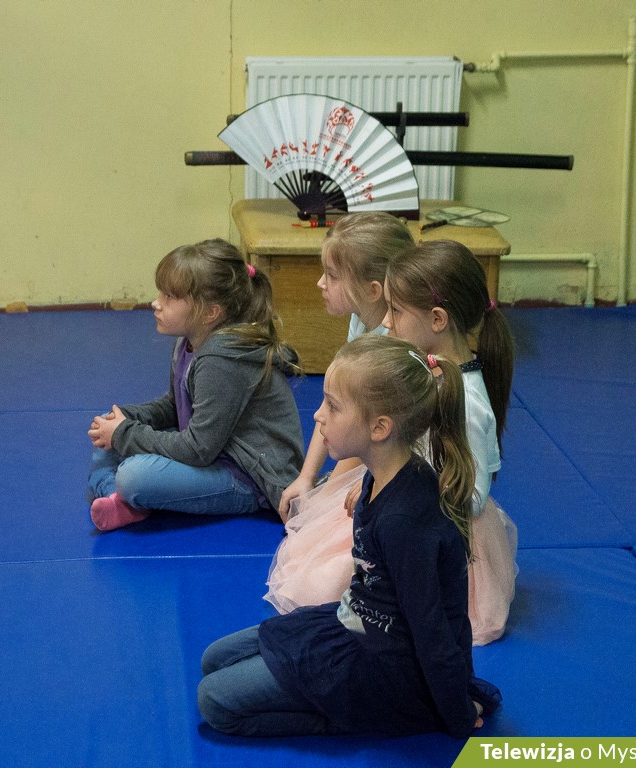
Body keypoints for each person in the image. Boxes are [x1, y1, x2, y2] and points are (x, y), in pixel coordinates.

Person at [197, 335, 502, 738]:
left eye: (333, 406)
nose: (318, 415)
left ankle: (343, 718)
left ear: (379, 428)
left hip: (386, 668)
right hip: (354, 622)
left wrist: (457, 714)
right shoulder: (378, 478)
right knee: (214, 658)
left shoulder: (405, 520)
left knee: (214, 702)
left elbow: (433, 633)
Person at [265, 240, 518, 645]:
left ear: (437, 319)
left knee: (329, 589)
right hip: (402, 507)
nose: (386, 321)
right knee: (314, 569)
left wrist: (393, 492)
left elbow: (469, 497)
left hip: (437, 531)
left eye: (396, 311)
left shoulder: (466, 400)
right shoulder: (427, 369)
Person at [86, 239, 304, 531]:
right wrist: (128, 418)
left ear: (210, 312)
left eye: (169, 297)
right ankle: (119, 500)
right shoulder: (188, 341)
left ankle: (124, 496)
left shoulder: (221, 359)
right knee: (108, 428)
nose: (155, 303)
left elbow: (198, 449)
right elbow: (176, 405)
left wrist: (126, 433)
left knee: (133, 475)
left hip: (246, 477)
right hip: (214, 452)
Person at [275, 211, 415, 521]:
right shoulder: (361, 318)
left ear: (372, 290)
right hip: (369, 453)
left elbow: (371, 434)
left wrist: (324, 499)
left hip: (391, 462)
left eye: (332, 276)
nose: (320, 283)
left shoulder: (391, 344)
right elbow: (333, 402)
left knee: (315, 525)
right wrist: (306, 477)